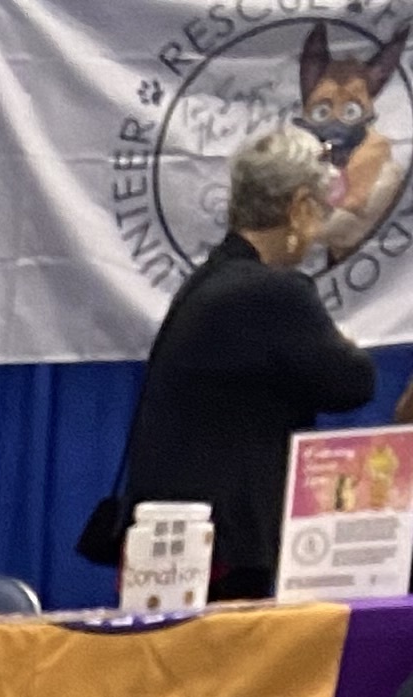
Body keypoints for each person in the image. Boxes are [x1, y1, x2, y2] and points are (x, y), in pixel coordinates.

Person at [102, 126, 379, 598]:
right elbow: (352, 383)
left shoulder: (209, 282)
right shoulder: (272, 293)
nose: (319, 232)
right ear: (297, 208)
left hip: (179, 546)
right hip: (226, 551)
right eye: (320, 210)